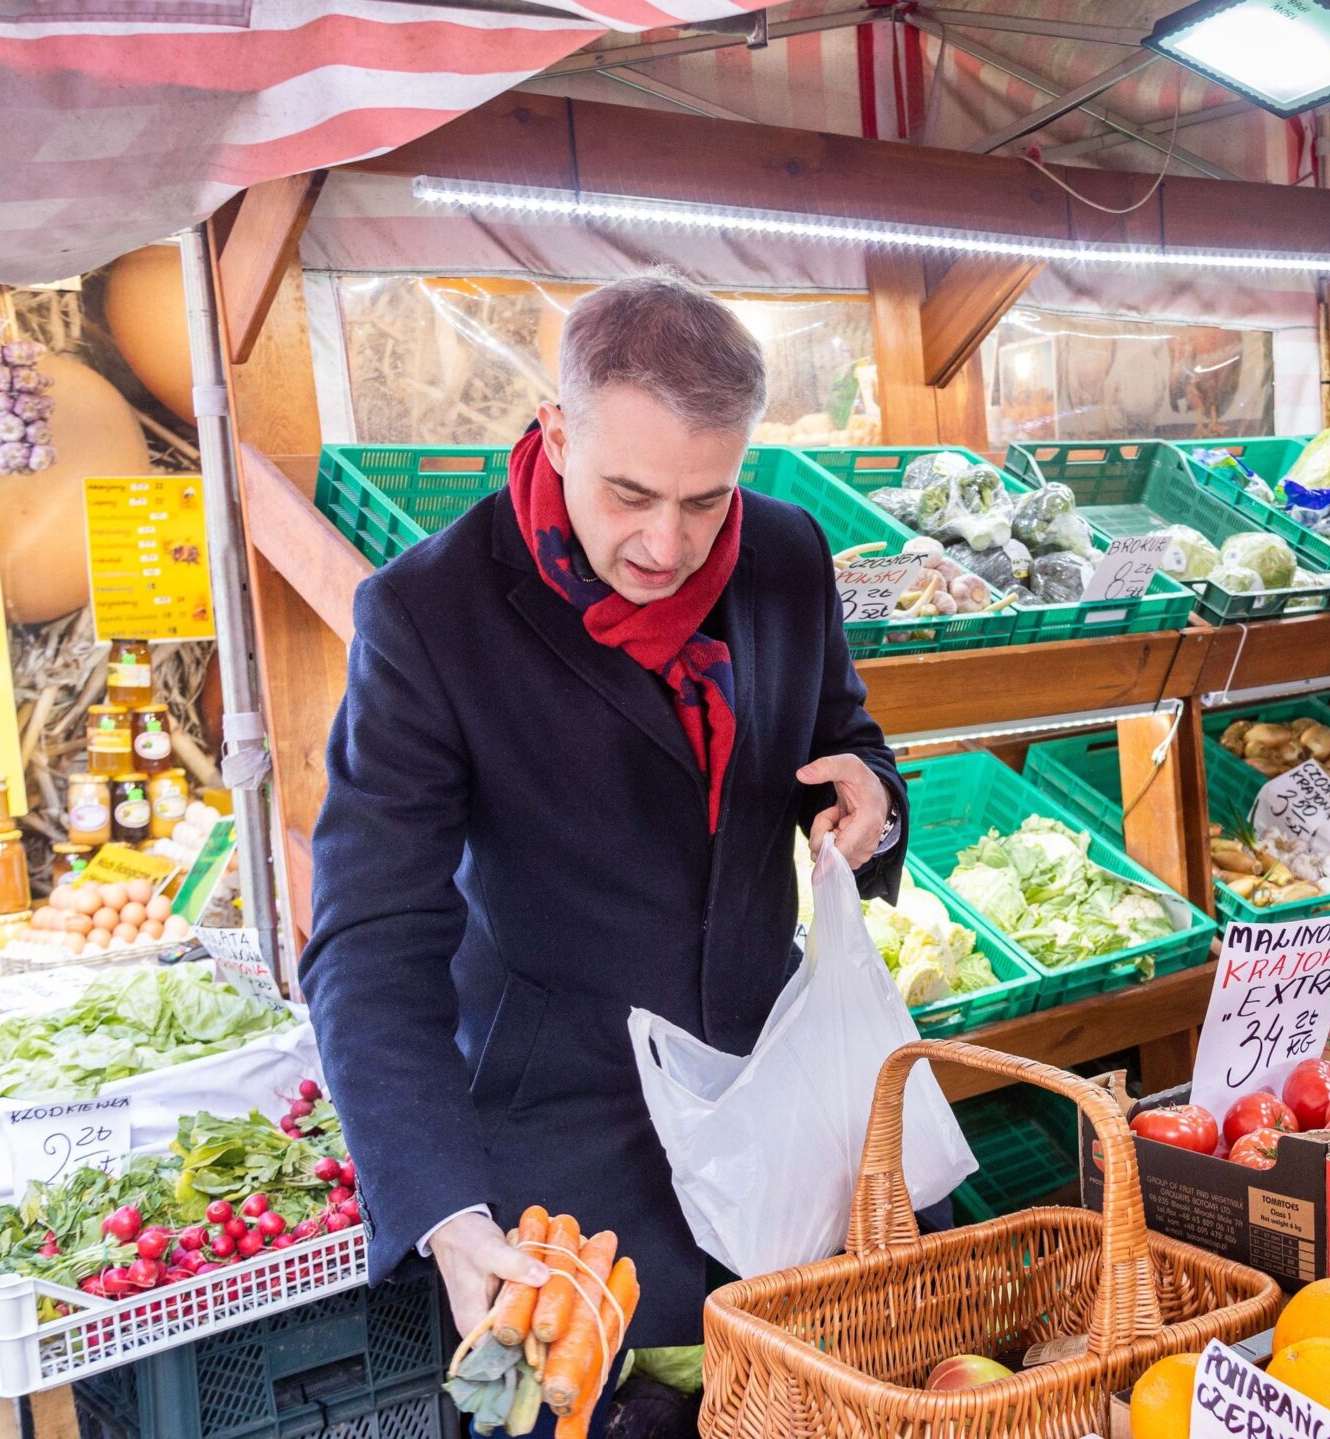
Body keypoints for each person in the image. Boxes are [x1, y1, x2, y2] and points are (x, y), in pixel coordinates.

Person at [301, 274, 908, 1424]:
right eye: (629, 493)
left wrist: (871, 794)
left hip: (770, 1114)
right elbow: (371, 939)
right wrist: (444, 1211)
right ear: (556, 428)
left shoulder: (783, 556)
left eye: (704, 499)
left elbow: (845, 736)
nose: (666, 542)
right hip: (561, 1157)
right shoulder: (431, 616)